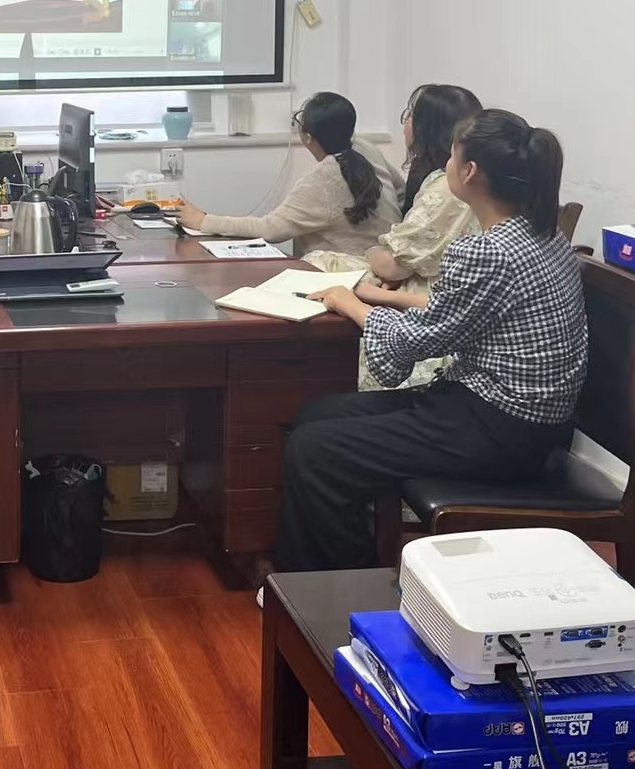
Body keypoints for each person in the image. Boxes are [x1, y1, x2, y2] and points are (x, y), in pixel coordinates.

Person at [274, 110, 587, 574]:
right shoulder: (542, 233)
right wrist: (384, 299)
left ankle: (344, 585)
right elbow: (455, 315)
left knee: (315, 450)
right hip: (523, 421)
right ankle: (329, 568)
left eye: (453, 156)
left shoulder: (487, 250)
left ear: (470, 171)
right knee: (317, 415)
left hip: (502, 431)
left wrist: (351, 303)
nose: (446, 164)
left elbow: (415, 342)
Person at [307, 84, 483, 389]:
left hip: (427, 294)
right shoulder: (457, 182)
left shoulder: (447, 188)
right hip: (419, 284)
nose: (405, 124)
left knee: (320, 263)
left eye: (410, 116)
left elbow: (393, 266)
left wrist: (379, 262)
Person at [178, 91, 402, 258]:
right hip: (386, 266)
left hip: (340, 277)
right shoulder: (367, 148)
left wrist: (203, 221)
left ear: (308, 138)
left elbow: (271, 229)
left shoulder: (322, 179)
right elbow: (401, 193)